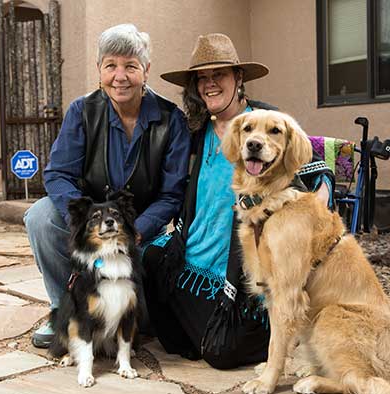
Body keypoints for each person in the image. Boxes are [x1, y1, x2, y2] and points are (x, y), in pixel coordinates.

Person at [142, 33, 334, 369]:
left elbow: (318, 166)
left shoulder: (266, 122)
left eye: (220, 75)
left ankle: (281, 333)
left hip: (242, 264)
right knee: (153, 262)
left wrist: (318, 199)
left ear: (239, 78)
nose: (209, 84)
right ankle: (198, 328)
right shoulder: (196, 131)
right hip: (193, 254)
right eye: (202, 78)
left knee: (221, 353)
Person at [24, 24, 190, 348]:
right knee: (40, 217)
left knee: (143, 323)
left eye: (131, 66)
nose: (120, 76)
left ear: (146, 70)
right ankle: (65, 309)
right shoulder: (82, 111)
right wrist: (87, 220)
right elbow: (57, 174)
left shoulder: (172, 120)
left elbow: (173, 192)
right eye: (111, 65)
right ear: (99, 70)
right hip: (91, 217)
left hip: (142, 227)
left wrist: (136, 228)